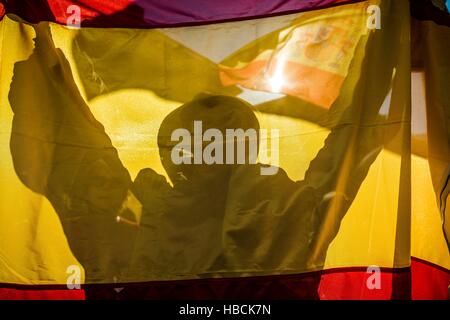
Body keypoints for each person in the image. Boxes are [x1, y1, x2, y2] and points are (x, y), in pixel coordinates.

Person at [9, 22, 388, 296]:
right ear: (247, 145)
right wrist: (383, 47)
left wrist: (42, 51)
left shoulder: (135, 215)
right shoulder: (291, 213)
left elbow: (75, 151)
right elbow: (350, 141)